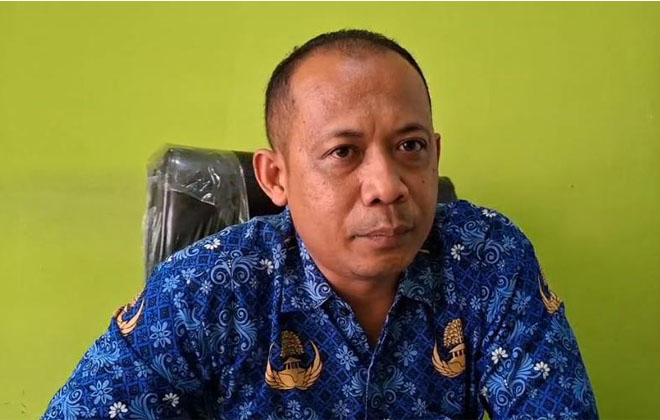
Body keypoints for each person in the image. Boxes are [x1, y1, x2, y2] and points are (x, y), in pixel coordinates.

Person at [43, 29, 598, 419]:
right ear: (276, 177)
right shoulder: (205, 289)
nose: (387, 186)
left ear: (435, 154)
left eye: (410, 146)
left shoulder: (488, 261)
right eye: (343, 152)